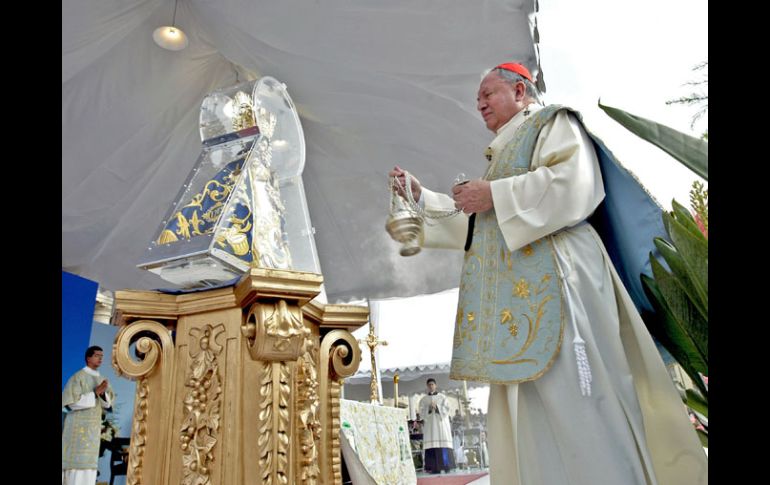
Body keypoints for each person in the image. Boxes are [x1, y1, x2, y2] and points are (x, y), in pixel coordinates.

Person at [390, 62, 707, 484]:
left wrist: (495, 194)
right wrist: (423, 197)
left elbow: (576, 183)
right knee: (536, 414)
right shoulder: (503, 154)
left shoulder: (552, 122)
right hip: (518, 302)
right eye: (478, 98)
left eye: (488, 93)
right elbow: (480, 229)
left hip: (563, 279)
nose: (479, 103)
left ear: (520, 92)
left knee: (584, 401)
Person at [62, 346, 115, 485]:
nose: (100, 358)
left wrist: (102, 394)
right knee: (75, 468)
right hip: (76, 430)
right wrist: (94, 394)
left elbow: (108, 405)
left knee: (89, 468)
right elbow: (70, 403)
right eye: (97, 355)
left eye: (102, 356)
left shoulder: (102, 379)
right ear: (88, 358)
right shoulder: (77, 377)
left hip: (93, 430)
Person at [418, 378, 455, 473]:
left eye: (432, 384)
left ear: (435, 385)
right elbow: (421, 413)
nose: (431, 386)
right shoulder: (423, 400)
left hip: (440, 425)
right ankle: (432, 467)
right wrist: (429, 409)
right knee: (432, 445)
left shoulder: (442, 397)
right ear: (427, 386)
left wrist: (437, 407)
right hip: (430, 427)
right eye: (429, 385)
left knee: (443, 445)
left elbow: (447, 409)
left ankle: (446, 466)